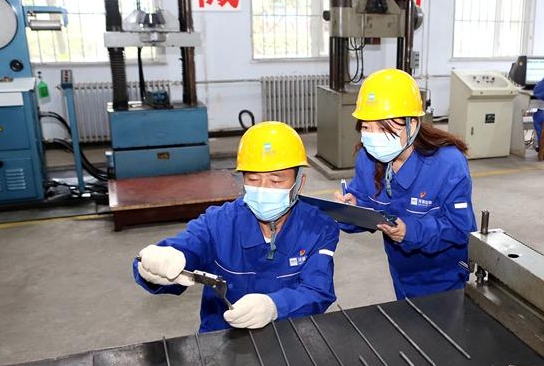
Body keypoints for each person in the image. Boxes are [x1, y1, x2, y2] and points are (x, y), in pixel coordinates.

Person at [133, 122, 339, 332]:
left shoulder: (319, 228)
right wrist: (156, 264)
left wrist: (275, 306)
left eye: (276, 181)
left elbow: (317, 291)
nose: (263, 190)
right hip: (221, 336)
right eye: (253, 179)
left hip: (287, 335)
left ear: (299, 183)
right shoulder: (218, 223)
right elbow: (187, 247)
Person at [334, 68, 476, 299]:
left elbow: (460, 229)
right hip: (400, 270)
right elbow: (366, 203)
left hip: (444, 274)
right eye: (366, 127)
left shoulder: (448, 163)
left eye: (383, 127)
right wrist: (351, 208)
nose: (373, 136)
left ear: (412, 124)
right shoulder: (368, 158)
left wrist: (410, 231)